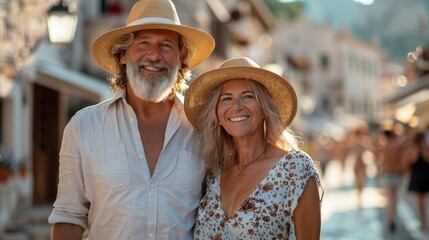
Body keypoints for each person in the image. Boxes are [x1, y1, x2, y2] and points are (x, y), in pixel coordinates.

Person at [48, 0, 215, 239]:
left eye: (166, 45)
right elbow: (69, 216)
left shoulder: (203, 128)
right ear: (123, 54)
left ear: (181, 57)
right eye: (143, 42)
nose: (154, 54)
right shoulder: (84, 126)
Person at [184, 57, 322, 239]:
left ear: (264, 107)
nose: (237, 106)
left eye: (248, 96)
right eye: (226, 99)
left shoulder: (295, 168)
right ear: (216, 113)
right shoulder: (213, 172)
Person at [376, 129, 406, 232]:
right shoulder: (398, 146)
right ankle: (394, 217)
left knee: (390, 199)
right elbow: (403, 160)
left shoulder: (383, 147)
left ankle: (391, 219)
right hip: (397, 174)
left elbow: (379, 161)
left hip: (387, 174)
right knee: (395, 198)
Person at [403, 131, 429, 231]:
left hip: (417, 178)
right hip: (426, 176)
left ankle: (423, 222)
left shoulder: (411, 150)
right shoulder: (425, 149)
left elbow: (405, 164)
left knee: (420, 202)